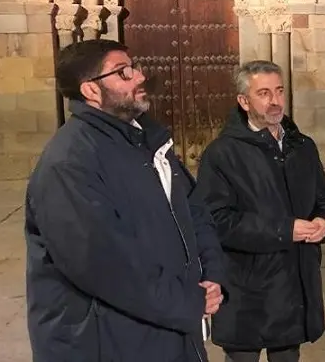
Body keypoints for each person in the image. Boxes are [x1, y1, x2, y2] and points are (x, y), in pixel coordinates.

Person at [25, 39, 227, 362]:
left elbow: (193, 211)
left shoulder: (148, 141)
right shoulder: (69, 162)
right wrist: (187, 301)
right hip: (110, 343)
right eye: (124, 72)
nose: (139, 77)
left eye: (134, 67)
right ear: (91, 90)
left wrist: (212, 274)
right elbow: (104, 264)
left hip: (168, 329)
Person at [193, 60, 325, 362]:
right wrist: (285, 230)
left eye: (279, 91)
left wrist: (324, 221)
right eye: (264, 93)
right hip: (247, 293)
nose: (275, 101)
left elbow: (324, 198)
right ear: (244, 101)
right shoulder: (222, 154)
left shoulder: (303, 147)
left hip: (294, 287)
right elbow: (216, 221)